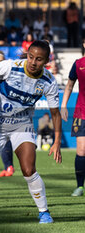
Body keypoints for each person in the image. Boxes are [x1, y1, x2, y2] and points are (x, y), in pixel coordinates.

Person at [0, 40, 62, 224]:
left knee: (29, 169)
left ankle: (44, 212)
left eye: (39, 59)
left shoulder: (48, 81)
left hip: (22, 125)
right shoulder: (10, 67)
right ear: (27, 55)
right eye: (31, 57)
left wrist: (57, 142)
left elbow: (55, 113)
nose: (33, 62)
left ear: (46, 61)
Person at [61, 50, 85, 197]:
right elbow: (69, 86)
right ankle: (79, 187)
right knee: (81, 151)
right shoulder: (78, 64)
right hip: (81, 113)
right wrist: (63, 105)